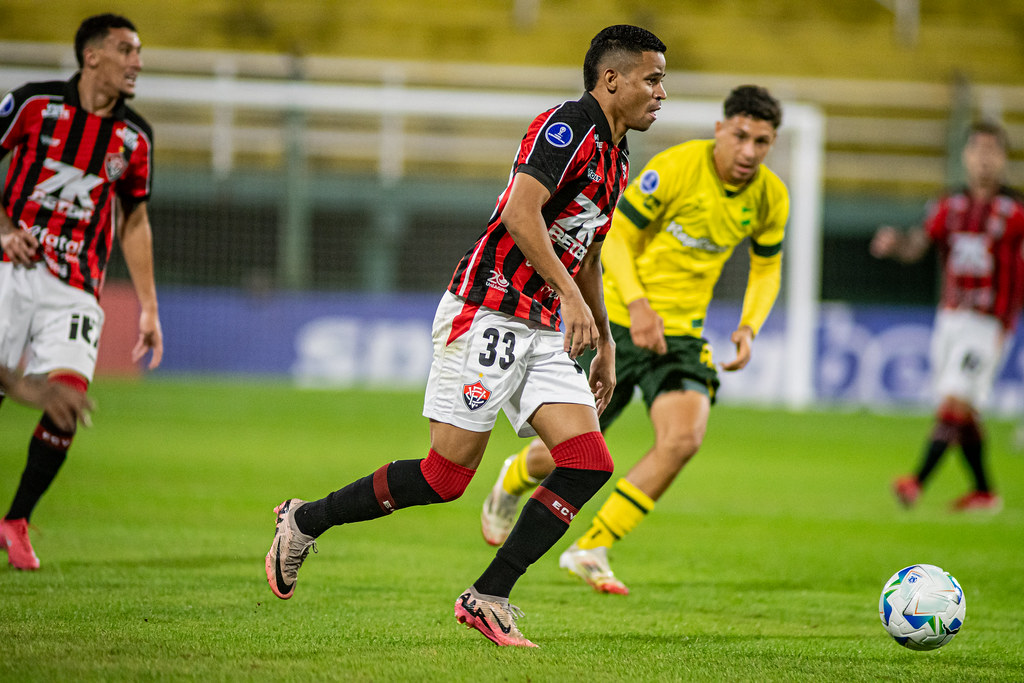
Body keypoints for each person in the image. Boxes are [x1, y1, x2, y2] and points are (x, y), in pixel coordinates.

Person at [265, 25, 667, 647]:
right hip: (487, 309)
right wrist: (567, 297)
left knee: (588, 462)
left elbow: (587, 252)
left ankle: (488, 595)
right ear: (611, 79)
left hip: (542, 325)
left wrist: (607, 341)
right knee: (444, 478)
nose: (661, 93)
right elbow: (519, 213)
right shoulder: (566, 127)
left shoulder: (617, 156)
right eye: (652, 79)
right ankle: (304, 520)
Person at [481, 85, 788, 596]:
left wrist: (749, 325)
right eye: (740, 136)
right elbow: (616, 239)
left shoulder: (771, 196)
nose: (749, 151)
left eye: (762, 142)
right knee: (568, 452)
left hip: (681, 335)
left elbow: (767, 267)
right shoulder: (675, 169)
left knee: (683, 439)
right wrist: (638, 306)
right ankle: (513, 477)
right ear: (720, 130)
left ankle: (592, 547)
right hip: (622, 322)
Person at [0, 13, 163, 570]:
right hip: (11, 269)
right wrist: (5, 229)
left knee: (67, 405)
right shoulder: (33, 104)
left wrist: (148, 307)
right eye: (126, 50)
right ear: (92, 56)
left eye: (138, 51)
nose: (137, 61)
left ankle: (16, 520)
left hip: (76, 287)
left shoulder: (135, 137)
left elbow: (134, 221)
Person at [870, 120, 1024, 512]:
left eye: (992, 151)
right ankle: (985, 493)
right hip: (950, 319)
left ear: (1003, 159)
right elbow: (917, 247)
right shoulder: (948, 206)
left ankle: (915, 482)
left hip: (989, 323)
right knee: (963, 410)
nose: (985, 159)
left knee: (956, 400)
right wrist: (896, 244)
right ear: (966, 156)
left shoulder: (1016, 211)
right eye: (978, 150)